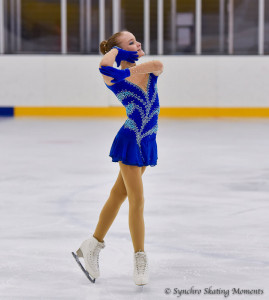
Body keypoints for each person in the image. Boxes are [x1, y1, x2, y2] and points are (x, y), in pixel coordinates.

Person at [72, 31, 164, 286]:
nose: (139, 44)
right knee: (137, 199)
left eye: (137, 40)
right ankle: (140, 258)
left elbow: (158, 65)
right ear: (121, 50)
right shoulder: (113, 79)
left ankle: (91, 245)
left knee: (118, 194)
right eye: (131, 42)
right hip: (130, 141)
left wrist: (125, 64)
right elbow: (104, 65)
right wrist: (116, 53)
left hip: (147, 140)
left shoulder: (149, 70)